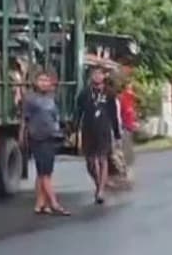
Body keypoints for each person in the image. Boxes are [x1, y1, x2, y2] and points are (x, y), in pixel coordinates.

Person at [22, 69, 70, 216]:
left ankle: (40, 203)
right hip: (37, 137)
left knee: (43, 172)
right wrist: (22, 135)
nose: (44, 83)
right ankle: (54, 203)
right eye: (41, 80)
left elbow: (56, 118)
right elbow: (25, 119)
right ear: (35, 82)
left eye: (46, 80)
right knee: (45, 173)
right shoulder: (30, 99)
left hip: (51, 137)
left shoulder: (52, 99)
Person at [76, 66, 121, 204]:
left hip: (103, 130)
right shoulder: (84, 93)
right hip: (88, 130)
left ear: (103, 77)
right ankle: (99, 183)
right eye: (94, 74)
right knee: (90, 162)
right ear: (91, 77)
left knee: (102, 159)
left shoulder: (109, 94)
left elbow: (114, 115)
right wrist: (74, 129)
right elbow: (78, 112)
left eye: (99, 74)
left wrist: (117, 134)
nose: (97, 76)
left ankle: (100, 191)